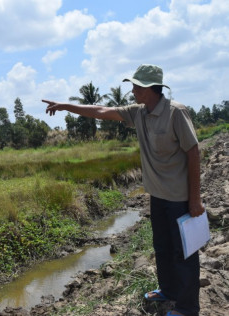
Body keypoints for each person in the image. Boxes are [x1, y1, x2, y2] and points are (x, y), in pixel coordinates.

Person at [42, 64, 205, 316]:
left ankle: (187, 308)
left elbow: (193, 152)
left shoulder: (175, 112)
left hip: (180, 199)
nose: (132, 91)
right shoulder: (137, 112)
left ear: (150, 89)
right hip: (158, 196)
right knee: (161, 247)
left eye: (136, 86)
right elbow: (101, 110)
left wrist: (195, 199)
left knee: (184, 253)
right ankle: (169, 291)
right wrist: (65, 105)